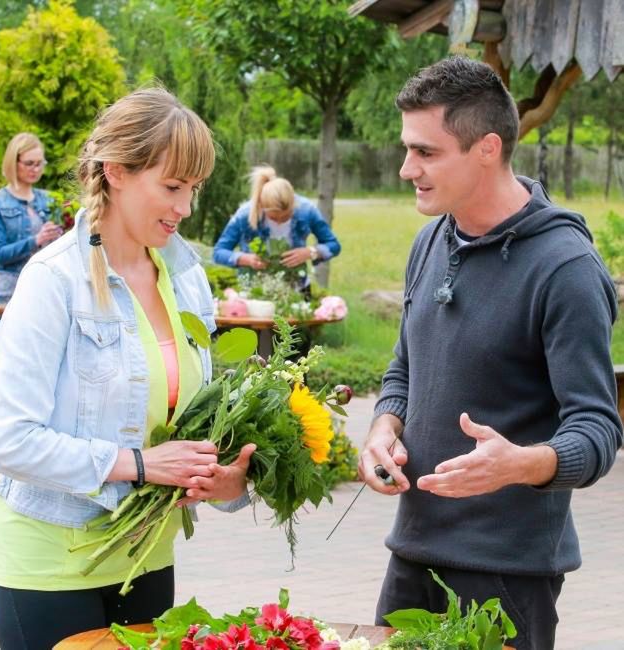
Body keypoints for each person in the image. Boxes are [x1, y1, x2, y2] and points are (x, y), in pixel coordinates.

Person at [358, 57, 622, 650]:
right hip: (412, 555)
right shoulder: (431, 239)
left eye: (426, 152)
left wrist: (520, 463)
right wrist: (383, 425)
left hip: (508, 575)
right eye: (408, 149)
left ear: (487, 148)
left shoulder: (566, 269)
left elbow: (599, 429)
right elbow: (405, 368)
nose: (407, 169)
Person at [0, 88, 256, 650]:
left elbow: (192, 421)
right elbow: (11, 443)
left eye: (194, 189)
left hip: (147, 560)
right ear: (116, 172)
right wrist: (136, 463)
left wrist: (226, 479)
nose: (185, 208)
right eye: (172, 187)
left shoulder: (186, 277)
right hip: (49, 568)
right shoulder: (52, 281)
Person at [0, 133, 63, 323]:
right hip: (10, 293)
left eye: (40, 163)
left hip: (46, 290)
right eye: (29, 163)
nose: (35, 169)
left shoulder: (50, 200)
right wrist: (36, 240)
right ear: (14, 162)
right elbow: (0, 254)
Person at [212, 165, 341, 276]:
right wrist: (245, 259)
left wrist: (311, 252)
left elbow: (334, 245)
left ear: (294, 204)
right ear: (262, 205)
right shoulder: (245, 214)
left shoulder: (307, 210)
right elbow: (218, 253)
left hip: (297, 284)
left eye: (286, 217)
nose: (279, 222)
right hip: (254, 287)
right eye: (273, 218)